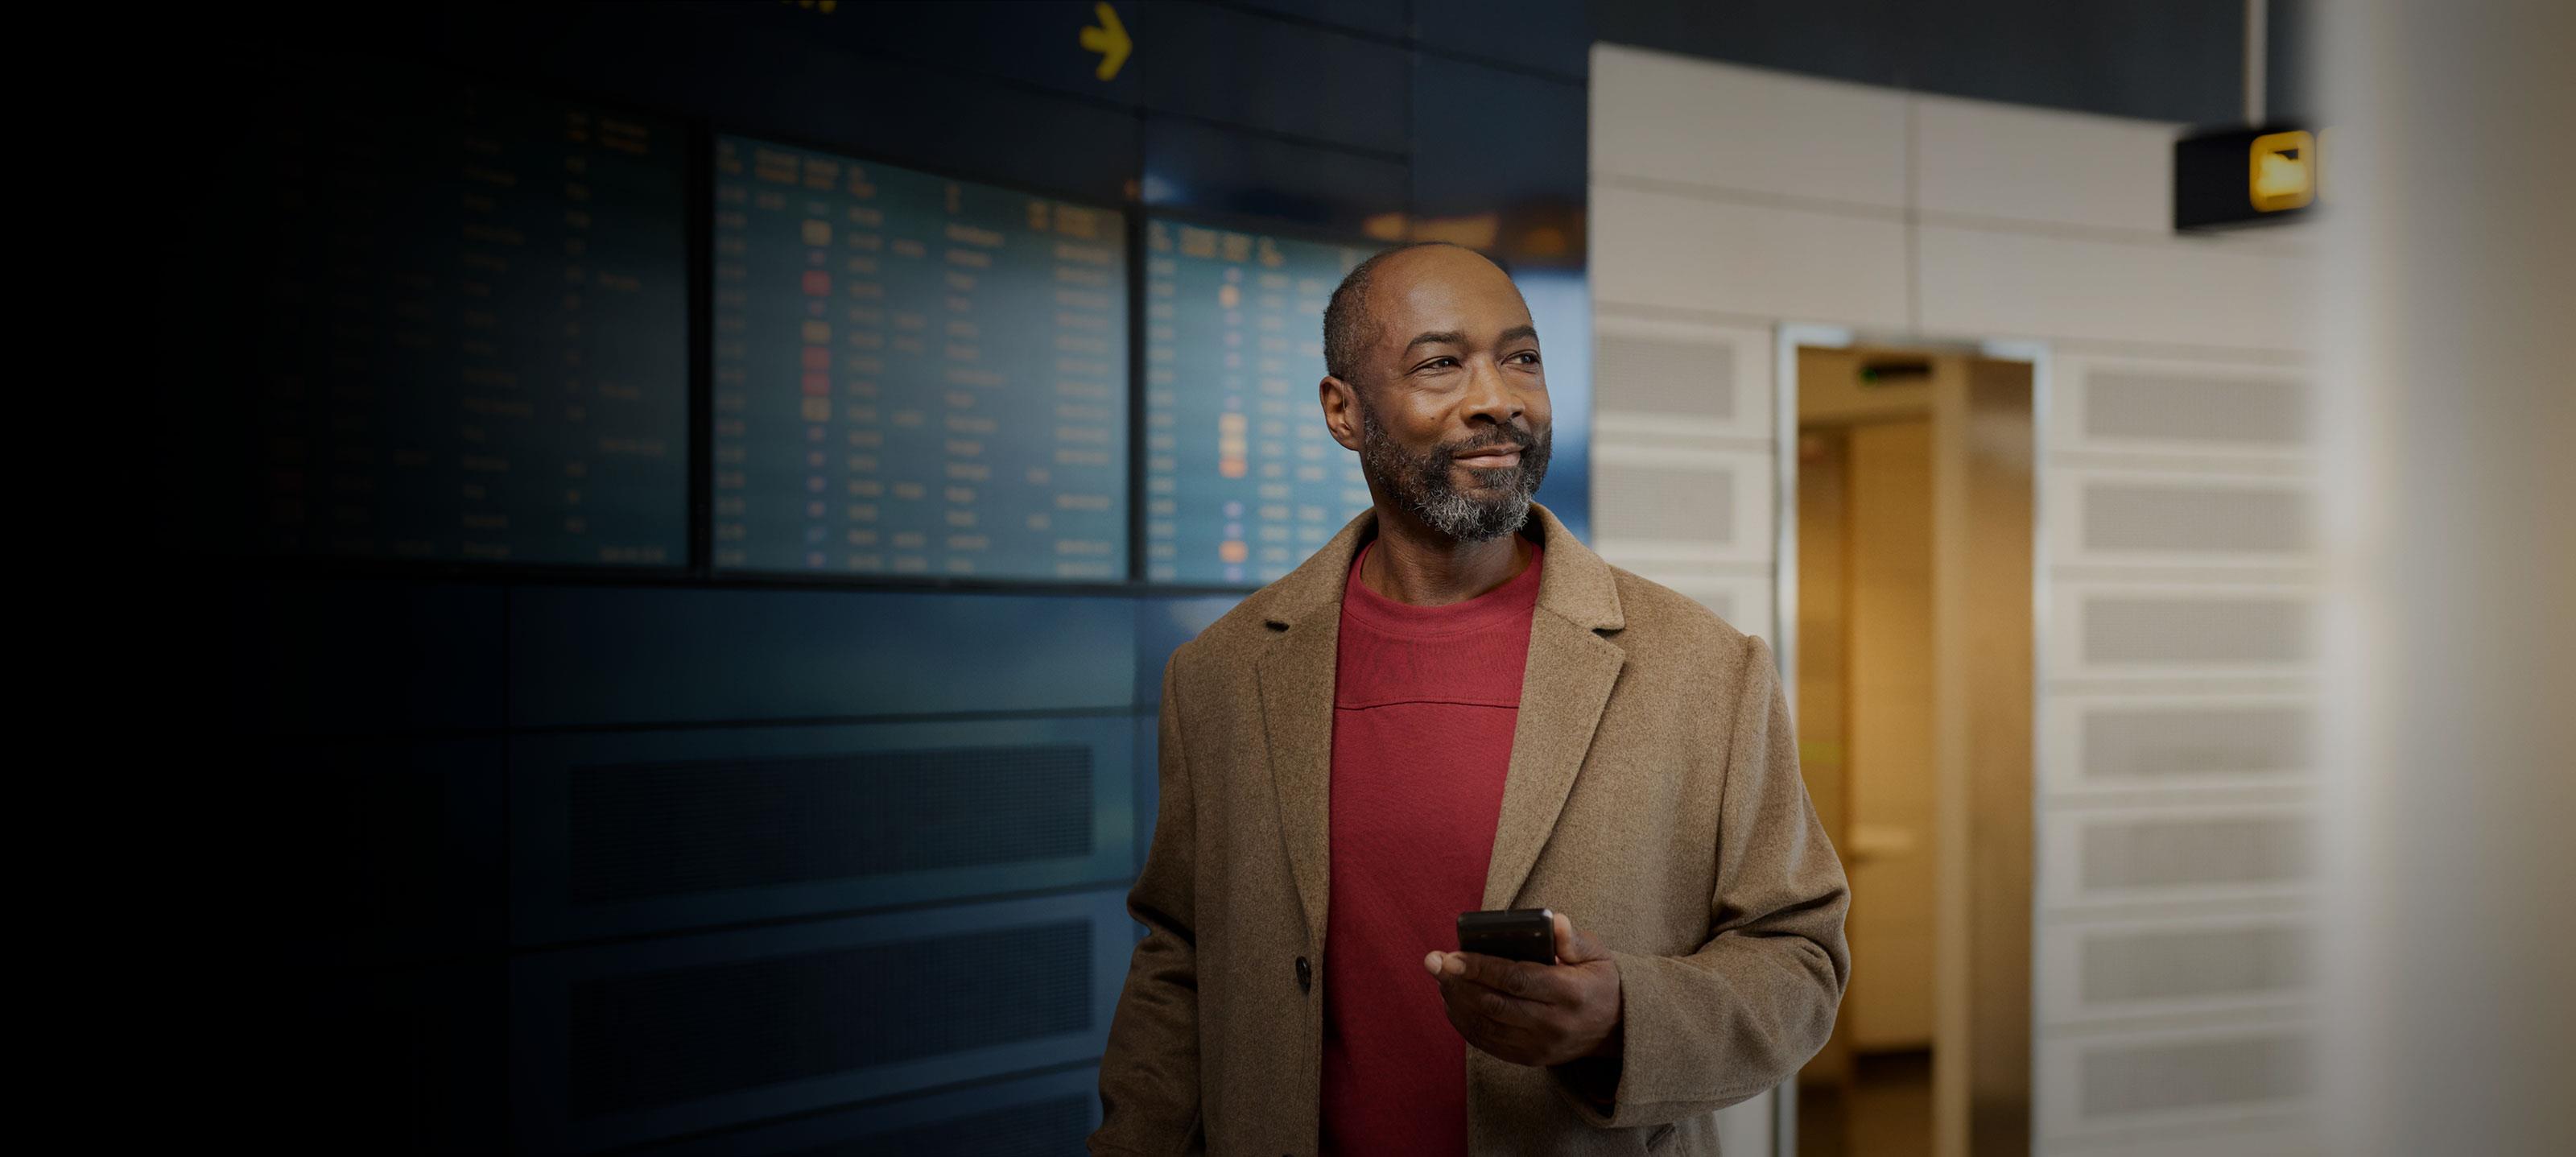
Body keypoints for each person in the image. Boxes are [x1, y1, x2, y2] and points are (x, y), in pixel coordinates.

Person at [1091, 242, 1849, 1155]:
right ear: (1343, 411)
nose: (1499, 398)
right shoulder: (1219, 676)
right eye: (1441, 363)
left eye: (1521, 357)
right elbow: (1179, 959)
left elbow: (1797, 959)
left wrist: (1621, 1017)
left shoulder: (1705, 671)